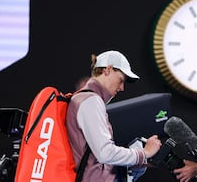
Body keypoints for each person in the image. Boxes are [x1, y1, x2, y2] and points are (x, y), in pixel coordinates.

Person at [66, 50, 162, 182]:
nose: (122, 88)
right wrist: (144, 153)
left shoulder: (84, 98)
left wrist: (138, 159)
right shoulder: (91, 101)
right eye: (121, 80)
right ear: (108, 70)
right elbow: (105, 153)